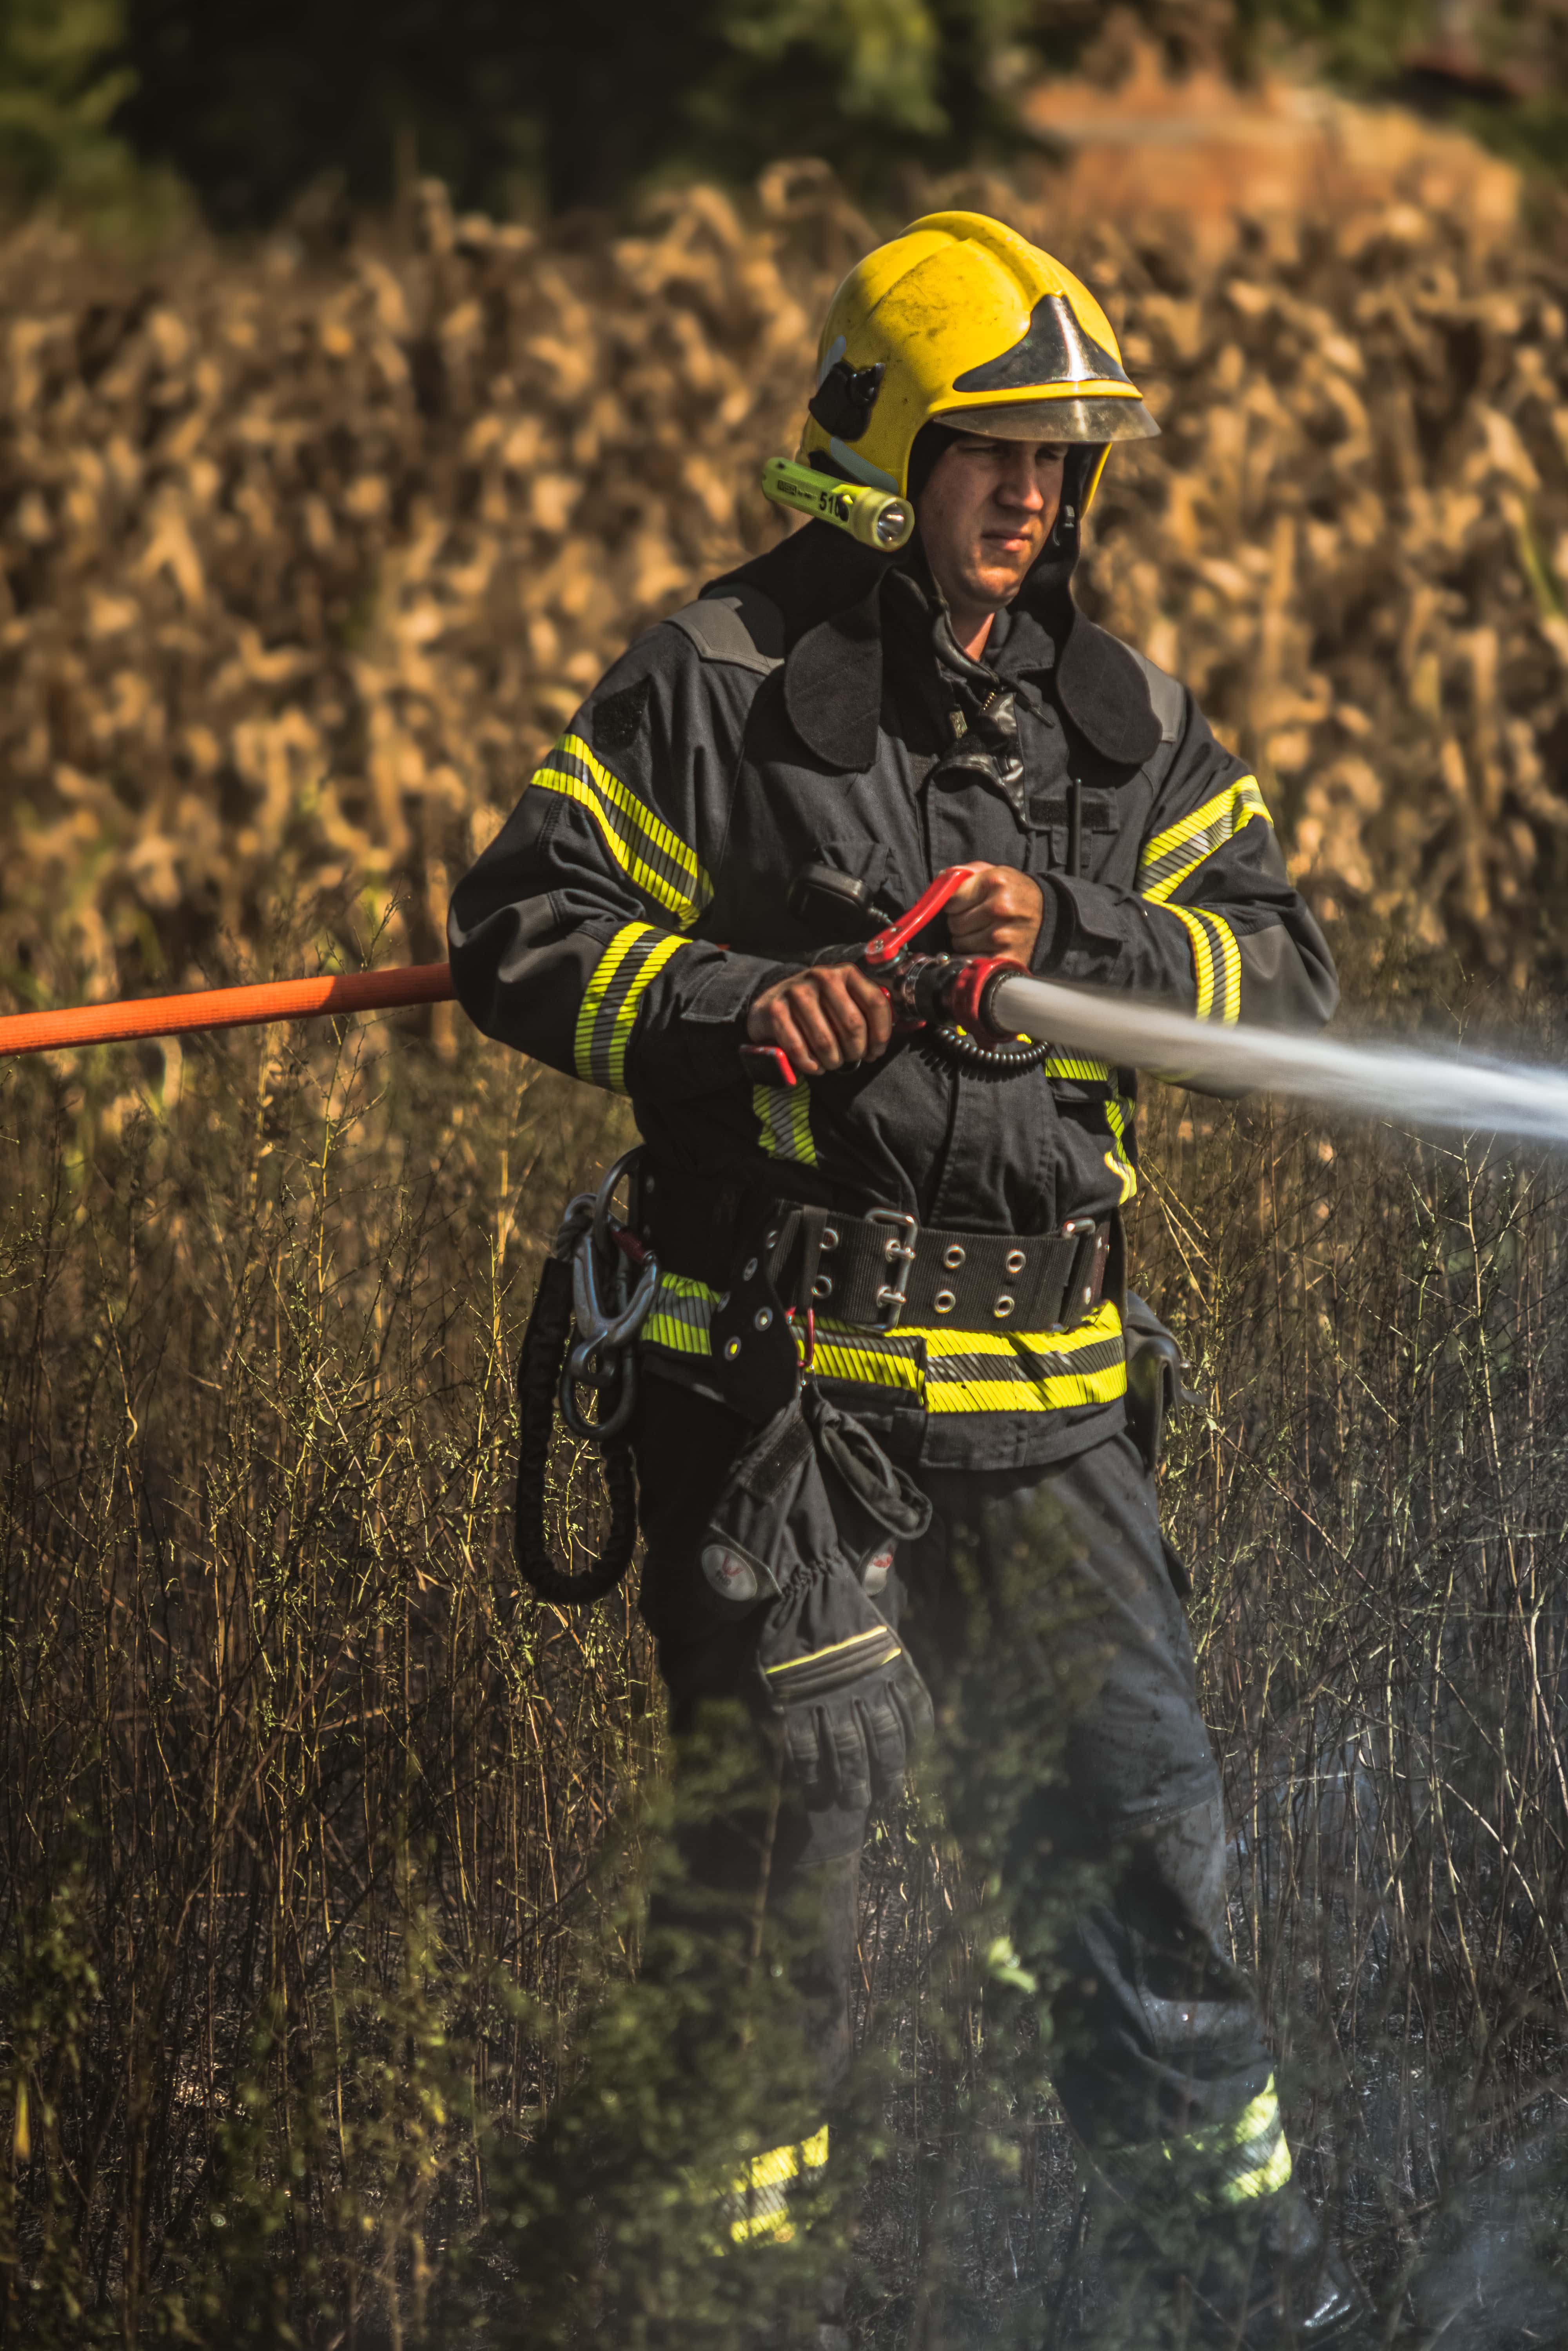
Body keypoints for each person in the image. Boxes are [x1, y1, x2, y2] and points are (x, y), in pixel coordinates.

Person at [449, 212, 1365, 2347]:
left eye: (1063, 457)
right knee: (782, 1929)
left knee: (1147, 1875)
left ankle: (1243, 2305)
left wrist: (1079, 933)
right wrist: (733, 1007)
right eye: (993, 448)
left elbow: (1293, 979)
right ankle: (725, 2314)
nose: (1034, 494)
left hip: (1053, 1419)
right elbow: (519, 929)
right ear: (885, 451)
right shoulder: (721, 688)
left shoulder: (1125, 733)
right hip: (786, 1418)